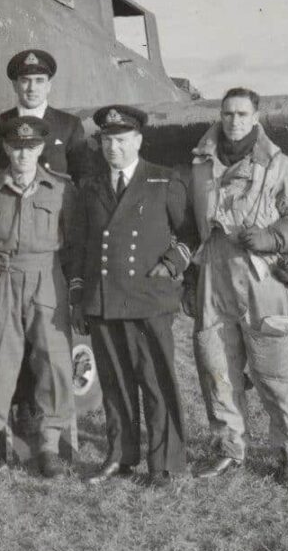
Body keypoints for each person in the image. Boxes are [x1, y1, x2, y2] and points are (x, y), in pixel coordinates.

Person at [189, 87, 288, 485]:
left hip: (262, 276)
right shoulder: (200, 164)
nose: (234, 121)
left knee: (276, 369)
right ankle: (229, 447)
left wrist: (273, 236)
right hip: (214, 272)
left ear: (256, 117)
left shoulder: (279, 166)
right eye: (227, 114)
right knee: (217, 365)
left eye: (243, 114)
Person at [77, 105, 198, 488]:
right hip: (105, 298)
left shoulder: (164, 181)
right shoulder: (90, 186)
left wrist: (171, 264)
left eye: (121, 139)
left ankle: (163, 462)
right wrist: (80, 290)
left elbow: (190, 233)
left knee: (155, 381)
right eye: (106, 140)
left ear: (138, 140)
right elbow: (81, 243)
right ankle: (120, 455)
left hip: (148, 296)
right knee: (114, 383)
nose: (113, 147)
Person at [0, 116, 80, 477]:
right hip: (4, 279)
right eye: (16, 147)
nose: (23, 154)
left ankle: (49, 445)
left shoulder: (62, 189)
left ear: (41, 148)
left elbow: (74, 241)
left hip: (47, 277)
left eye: (30, 147)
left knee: (55, 362)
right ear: (4, 148)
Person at [0, 49, 89, 180]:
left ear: (49, 86)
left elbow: (81, 175)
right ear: (15, 85)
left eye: (39, 81)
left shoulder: (70, 125)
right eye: (25, 81)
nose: (32, 88)